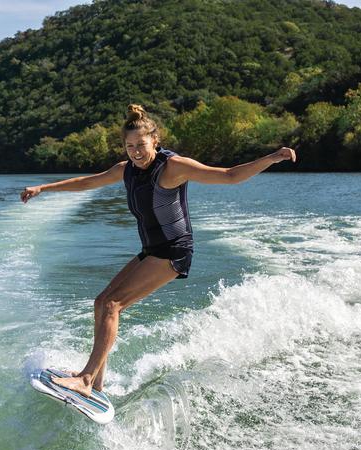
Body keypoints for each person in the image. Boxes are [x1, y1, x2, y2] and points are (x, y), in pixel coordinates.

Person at [20, 104, 296, 398]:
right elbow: (89, 181)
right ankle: (96, 382)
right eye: (129, 146)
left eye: (141, 144)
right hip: (151, 249)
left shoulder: (172, 167)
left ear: (155, 140)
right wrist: (44, 188)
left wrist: (273, 157)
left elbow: (228, 175)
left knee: (113, 305)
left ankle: (86, 380)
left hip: (174, 251)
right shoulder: (126, 170)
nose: (135, 151)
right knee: (101, 302)